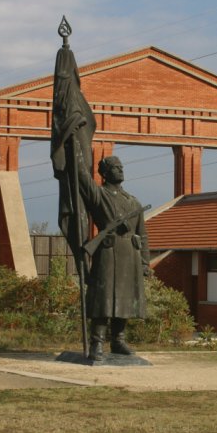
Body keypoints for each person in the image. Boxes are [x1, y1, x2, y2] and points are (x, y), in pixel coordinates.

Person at [78, 155, 150, 361]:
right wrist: (76, 152)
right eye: (115, 167)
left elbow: (143, 235)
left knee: (126, 299)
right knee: (104, 298)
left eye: (121, 166)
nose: (120, 170)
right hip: (108, 253)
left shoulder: (133, 201)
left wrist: (145, 262)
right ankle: (97, 343)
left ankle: (118, 341)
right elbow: (83, 178)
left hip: (130, 255)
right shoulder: (99, 195)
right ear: (105, 173)